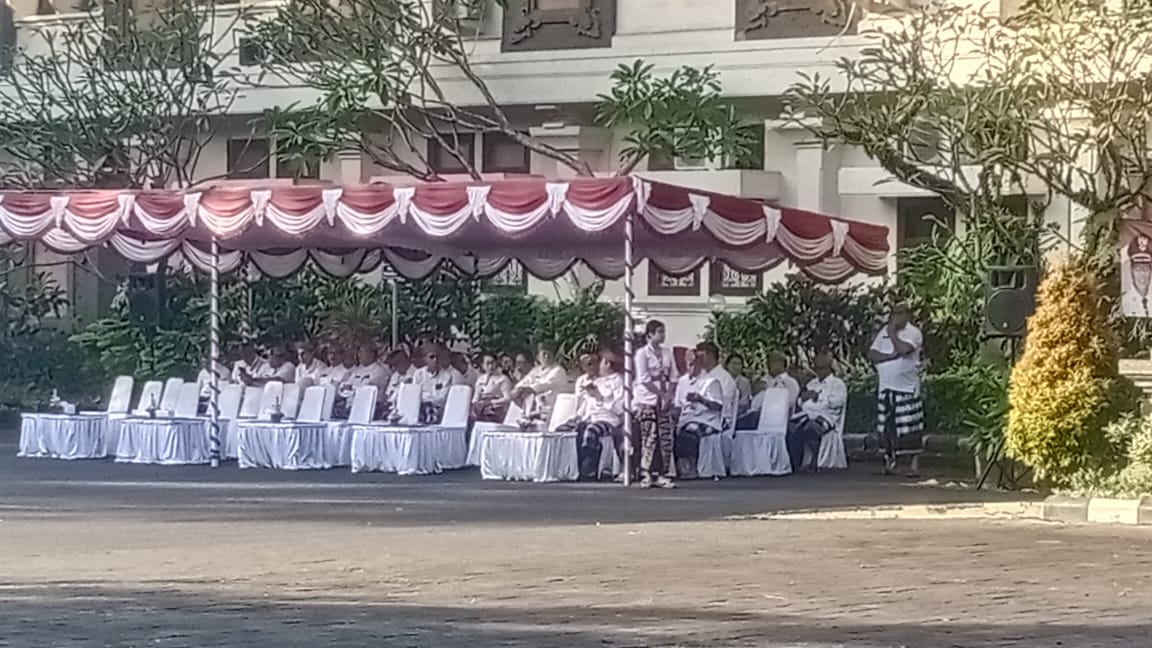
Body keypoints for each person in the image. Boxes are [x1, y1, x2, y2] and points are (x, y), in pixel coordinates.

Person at [869, 303, 925, 477]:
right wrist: (890, 356)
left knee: (910, 428)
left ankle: (913, 466)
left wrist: (893, 334)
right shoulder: (884, 332)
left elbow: (904, 350)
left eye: (899, 314)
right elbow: (872, 354)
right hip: (886, 387)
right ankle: (890, 463)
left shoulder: (913, 332)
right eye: (894, 314)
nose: (895, 317)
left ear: (907, 315)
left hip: (906, 389)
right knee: (887, 427)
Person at [634, 319, 679, 488]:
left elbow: (674, 375)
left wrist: (669, 395)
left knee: (664, 437)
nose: (663, 335)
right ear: (650, 334)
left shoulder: (667, 352)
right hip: (648, 399)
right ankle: (646, 472)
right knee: (649, 436)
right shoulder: (642, 354)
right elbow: (644, 378)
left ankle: (662, 473)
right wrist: (660, 394)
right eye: (659, 332)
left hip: (664, 398)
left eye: (663, 332)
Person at [787, 351, 847, 473]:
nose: (818, 371)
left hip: (827, 416)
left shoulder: (837, 384)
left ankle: (816, 458)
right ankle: (794, 463)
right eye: (817, 368)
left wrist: (818, 397)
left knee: (811, 427)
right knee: (791, 427)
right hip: (806, 414)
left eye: (821, 368)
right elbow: (800, 402)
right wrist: (803, 398)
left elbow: (838, 402)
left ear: (829, 368)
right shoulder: (812, 383)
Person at [570, 350, 625, 480]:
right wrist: (579, 416)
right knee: (572, 429)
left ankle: (589, 470)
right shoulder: (598, 381)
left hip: (609, 420)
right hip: (592, 417)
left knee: (591, 431)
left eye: (599, 362)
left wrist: (601, 399)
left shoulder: (618, 381)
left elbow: (620, 409)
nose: (597, 366)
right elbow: (588, 403)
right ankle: (575, 468)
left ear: (607, 364)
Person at [673, 345, 725, 479]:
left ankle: (690, 467)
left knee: (691, 430)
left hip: (706, 419)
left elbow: (718, 406)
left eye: (693, 365)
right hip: (685, 418)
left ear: (700, 364)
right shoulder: (682, 382)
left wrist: (701, 399)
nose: (690, 368)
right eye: (688, 365)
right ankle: (677, 468)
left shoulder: (711, 381)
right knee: (668, 432)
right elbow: (678, 405)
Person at [738, 351, 800, 429]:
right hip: (755, 418)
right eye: (768, 361)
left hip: (778, 420)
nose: (768, 364)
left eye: (772, 361)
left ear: (781, 363)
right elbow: (752, 399)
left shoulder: (790, 383)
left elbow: (791, 403)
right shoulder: (762, 380)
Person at [511, 343, 568, 423]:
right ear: (538, 356)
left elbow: (542, 385)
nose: (546, 357)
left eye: (549, 354)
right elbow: (524, 382)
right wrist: (517, 389)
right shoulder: (536, 370)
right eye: (544, 354)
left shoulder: (558, 370)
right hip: (533, 409)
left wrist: (523, 389)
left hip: (550, 409)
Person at [414, 345, 463, 423]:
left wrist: (426, 397)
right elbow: (415, 394)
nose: (435, 360)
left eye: (437, 357)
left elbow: (441, 398)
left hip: (439, 411)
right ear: (425, 359)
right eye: (431, 357)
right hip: (421, 409)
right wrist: (428, 399)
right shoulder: (418, 374)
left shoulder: (446, 375)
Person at [472, 354, 513, 422]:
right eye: (487, 363)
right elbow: (476, 396)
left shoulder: (503, 379)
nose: (491, 366)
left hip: (496, 407)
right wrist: (475, 406)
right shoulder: (480, 379)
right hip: (481, 406)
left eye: (492, 362)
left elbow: (507, 398)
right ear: (483, 365)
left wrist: (491, 402)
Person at [384, 348, 417, 413]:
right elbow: (388, 395)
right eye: (393, 365)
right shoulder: (395, 375)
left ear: (405, 361)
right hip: (393, 408)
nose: (394, 368)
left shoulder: (417, 374)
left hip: (410, 408)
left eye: (396, 364)